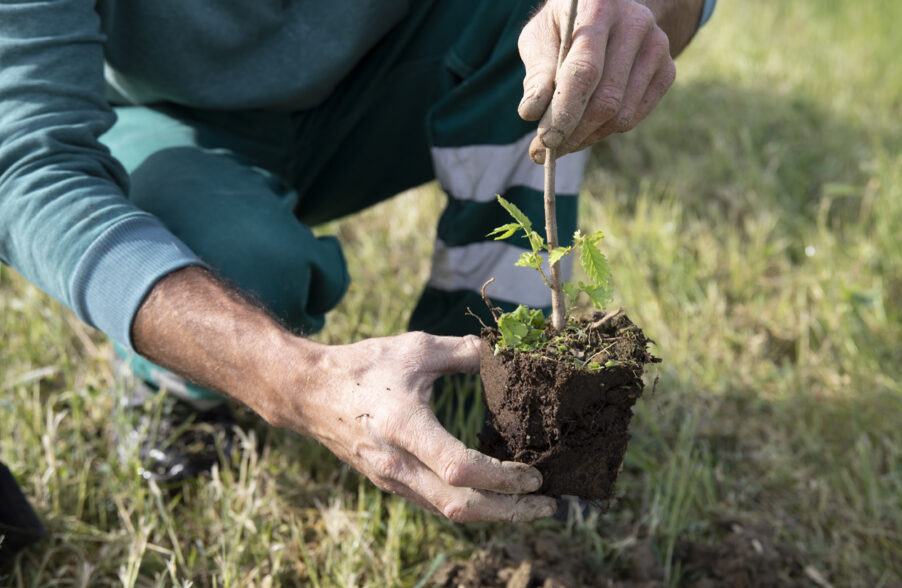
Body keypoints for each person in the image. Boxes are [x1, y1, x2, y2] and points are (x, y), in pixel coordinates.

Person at [0, 0, 716, 527]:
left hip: (384, 79)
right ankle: (181, 390)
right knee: (246, 274)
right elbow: (28, 169)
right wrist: (297, 380)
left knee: (546, 26)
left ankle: (492, 389)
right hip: (175, 119)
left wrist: (632, 12)